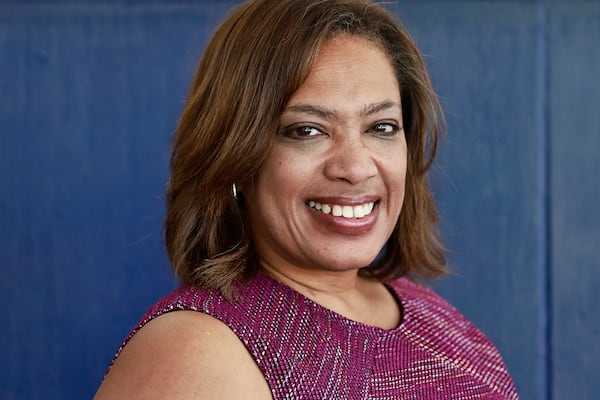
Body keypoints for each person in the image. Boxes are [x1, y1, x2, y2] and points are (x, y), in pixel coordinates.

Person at [95, 0, 519, 398]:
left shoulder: (431, 316)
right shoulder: (195, 351)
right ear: (236, 157)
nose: (355, 167)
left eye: (381, 127)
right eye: (307, 130)